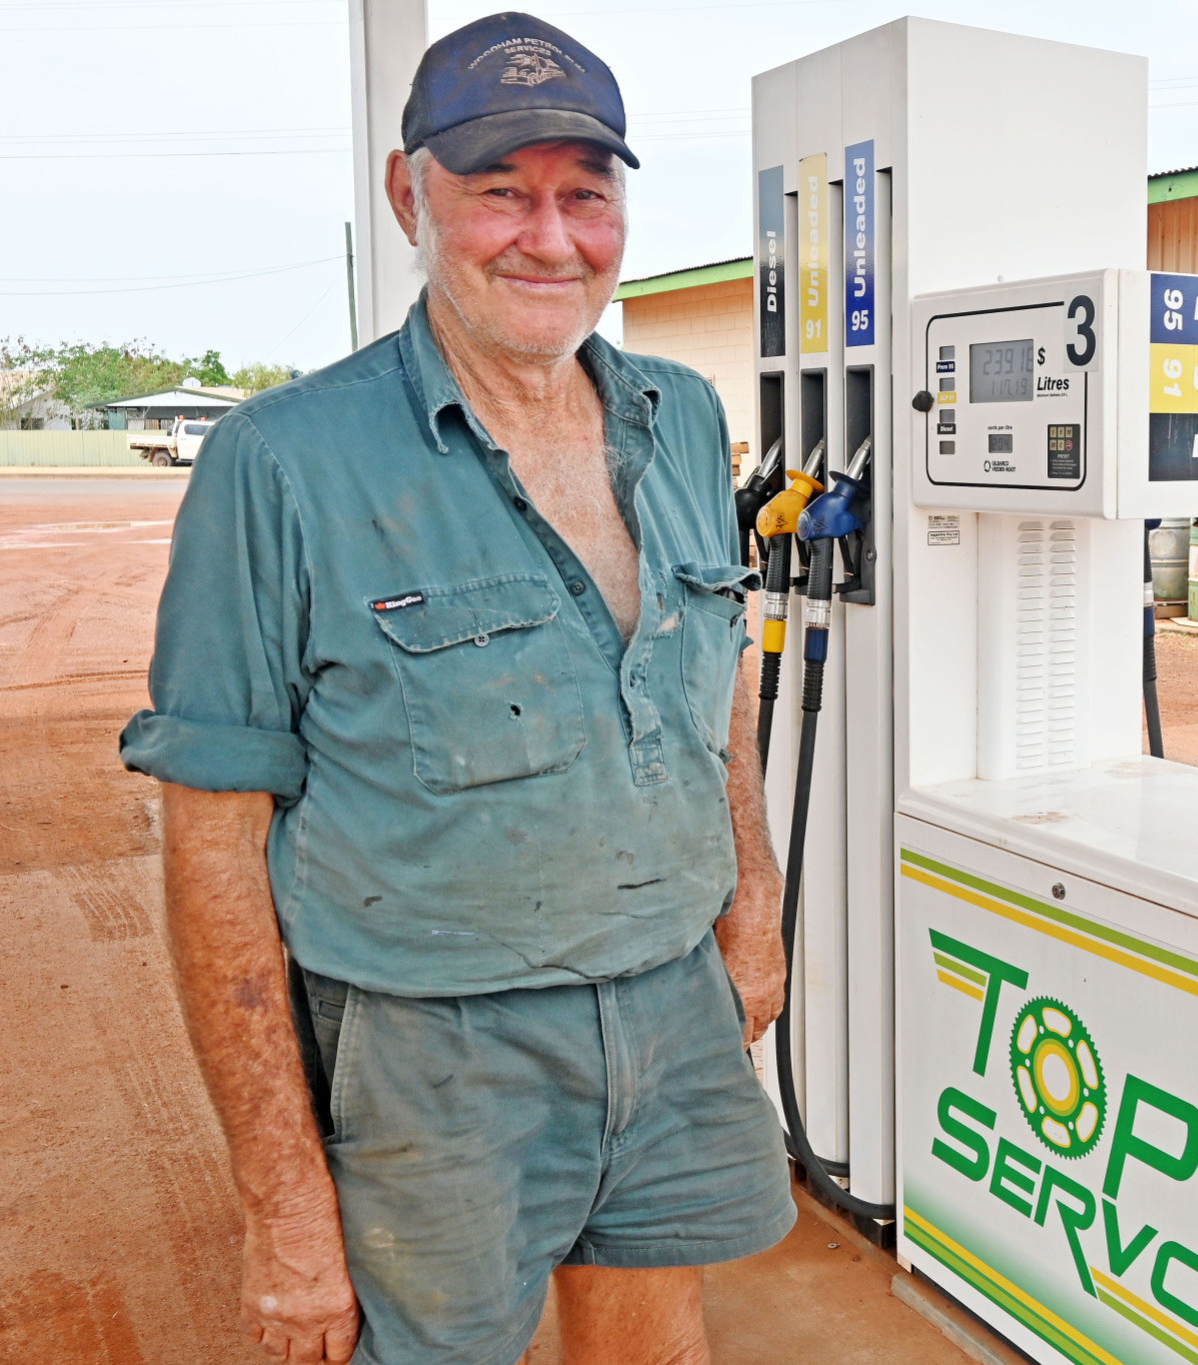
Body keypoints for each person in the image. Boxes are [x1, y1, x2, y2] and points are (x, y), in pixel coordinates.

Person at [119, 14, 794, 1364]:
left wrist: (755, 899)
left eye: (585, 196)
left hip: (671, 1000)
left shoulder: (685, 417)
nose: (550, 237)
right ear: (408, 194)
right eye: (500, 192)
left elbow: (714, 682)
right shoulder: (279, 463)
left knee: (654, 1333)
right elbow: (211, 839)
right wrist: (283, 1201)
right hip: (432, 1051)